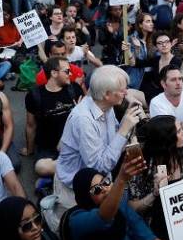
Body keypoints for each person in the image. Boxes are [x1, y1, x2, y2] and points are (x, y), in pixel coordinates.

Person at [67, 164, 183, 240]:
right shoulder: (77, 220)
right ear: (85, 196)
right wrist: (121, 179)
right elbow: (103, 217)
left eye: (105, 182)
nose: (105, 189)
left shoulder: (120, 205)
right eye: (96, 190)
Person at [54, 65, 143, 203]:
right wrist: (123, 129)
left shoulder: (105, 105)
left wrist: (127, 120)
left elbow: (112, 141)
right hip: (78, 190)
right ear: (107, 94)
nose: (126, 93)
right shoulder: (84, 120)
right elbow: (99, 167)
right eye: (122, 90)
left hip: (102, 183)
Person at [127, 116, 183, 240]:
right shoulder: (141, 166)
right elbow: (133, 208)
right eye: (179, 131)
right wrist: (154, 194)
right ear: (167, 139)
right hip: (158, 228)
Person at [23, 57, 83, 179]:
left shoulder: (74, 89)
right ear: (54, 73)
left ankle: (63, 174)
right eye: (66, 71)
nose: (70, 74)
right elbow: (31, 125)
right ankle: (75, 171)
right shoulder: (35, 95)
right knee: (41, 167)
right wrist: (30, 149)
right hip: (48, 148)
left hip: (73, 144)